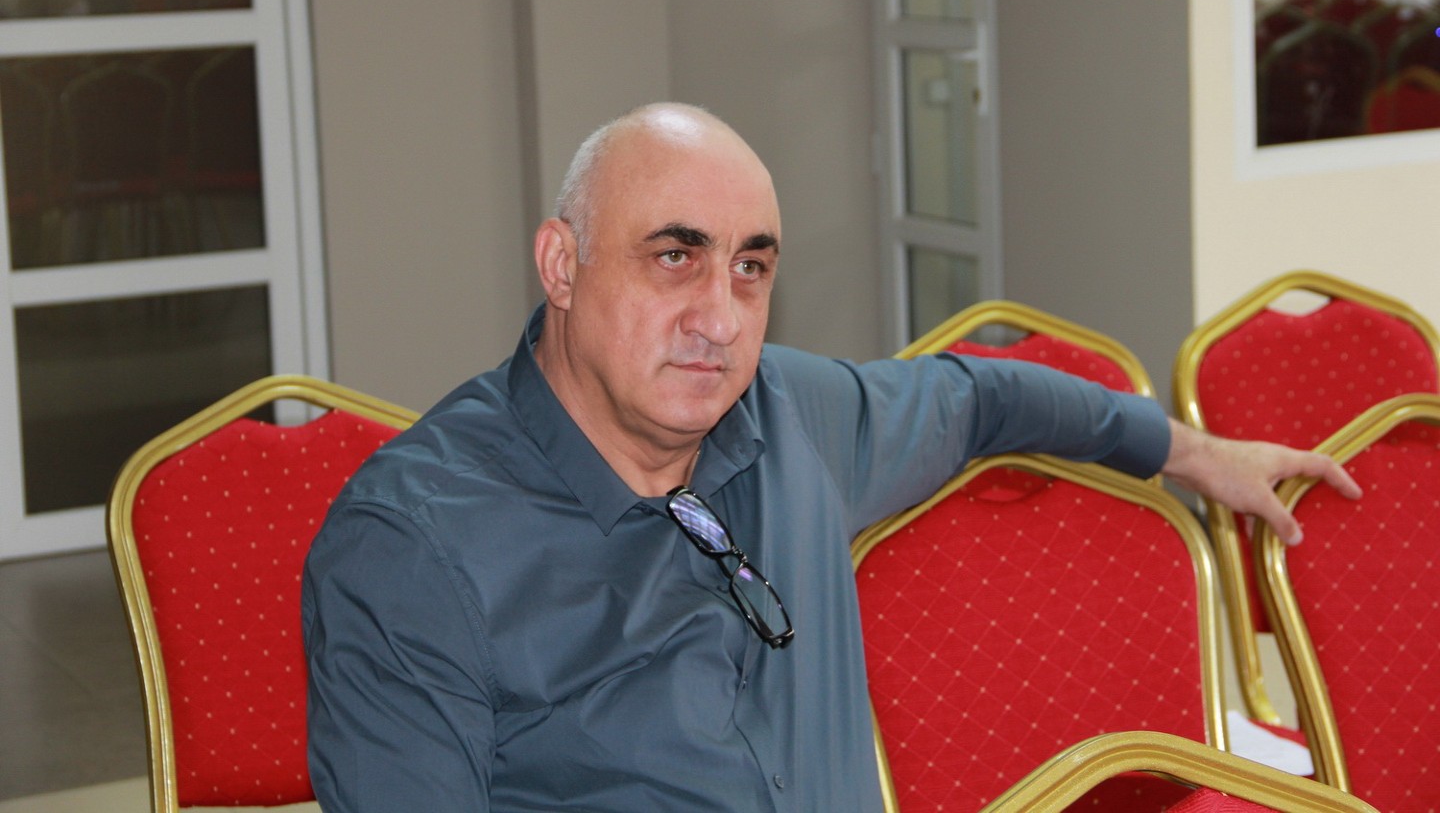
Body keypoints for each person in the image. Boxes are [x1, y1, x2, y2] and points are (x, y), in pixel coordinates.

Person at [302, 102, 1358, 812]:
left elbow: (984, 397)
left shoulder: (792, 416)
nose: (719, 318)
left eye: (750, 269)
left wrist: (1189, 450)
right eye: (674, 256)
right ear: (562, 264)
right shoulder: (412, 548)